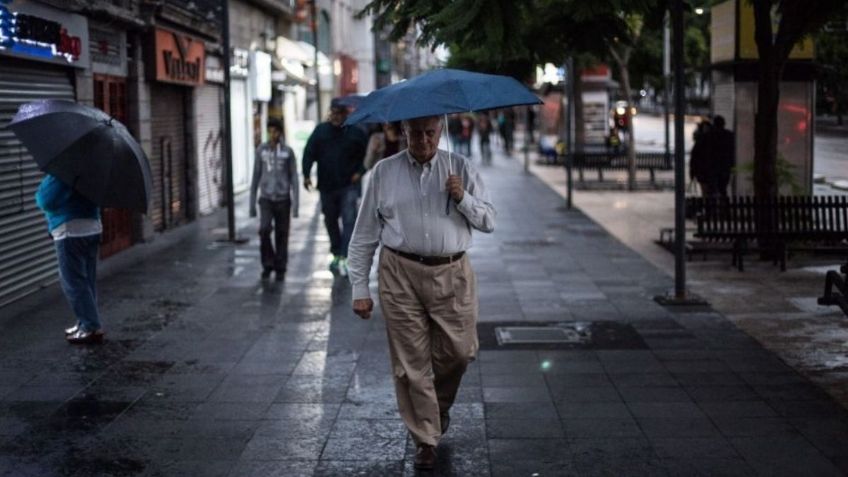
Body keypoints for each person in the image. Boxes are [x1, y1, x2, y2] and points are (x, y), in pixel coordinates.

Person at [346, 115, 496, 470]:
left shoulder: (460, 166)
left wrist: (462, 198)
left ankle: (435, 410)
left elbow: (489, 221)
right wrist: (359, 287)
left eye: (430, 133)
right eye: (416, 133)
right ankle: (425, 438)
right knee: (410, 363)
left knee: (458, 354)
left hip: (452, 272)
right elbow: (364, 233)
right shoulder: (384, 172)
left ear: (440, 131)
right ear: (404, 133)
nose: (424, 141)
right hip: (399, 273)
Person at [302, 98, 368, 276]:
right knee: (330, 220)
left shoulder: (355, 132)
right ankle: (337, 252)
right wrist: (306, 174)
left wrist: (360, 171)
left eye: (340, 113)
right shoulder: (321, 131)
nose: (336, 117)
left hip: (348, 185)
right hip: (326, 186)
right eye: (333, 113)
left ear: (346, 114)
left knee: (348, 221)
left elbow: (367, 155)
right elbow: (309, 152)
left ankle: (345, 256)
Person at [35, 174, 104, 344]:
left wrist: (41, 189)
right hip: (92, 227)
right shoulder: (93, 169)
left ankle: (90, 326)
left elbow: (46, 200)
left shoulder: (62, 172)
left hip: (70, 230)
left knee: (73, 282)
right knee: (86, 280)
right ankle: (85, 322)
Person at [249, 118, 299, 281]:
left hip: (283, 199)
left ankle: (281, 266)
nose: (273, 134)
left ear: (280, 132)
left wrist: (296, 204)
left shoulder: (287, 152)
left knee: (282, 234)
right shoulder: (261, 151)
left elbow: (294, 178)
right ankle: (267, 263)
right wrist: (251, 203)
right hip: (266, 199)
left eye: (276, 131)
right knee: (264, 229)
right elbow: (256, 176)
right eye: (270, 131)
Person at [693, 115, 735, 197]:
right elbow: (732, 152)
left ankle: (711, 208)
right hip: (724, 168)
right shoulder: (729, 136)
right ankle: (722, 208)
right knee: (722, 189)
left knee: (712, 191)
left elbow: (697, 153)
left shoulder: (706, 136)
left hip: (711, 168)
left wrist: (695, 170)